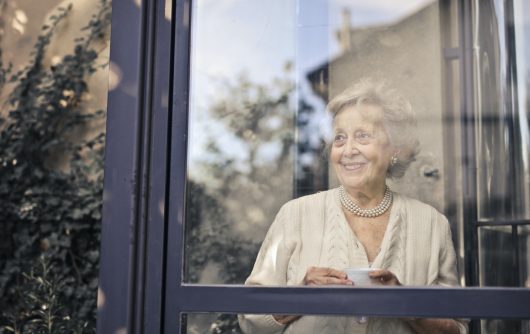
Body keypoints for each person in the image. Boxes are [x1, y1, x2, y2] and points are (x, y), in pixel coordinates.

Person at [238, 80, 467, 333]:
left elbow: (456, 328)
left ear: (395, 148)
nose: (348, 150)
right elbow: (251, 320)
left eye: (362, 136)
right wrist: (301, 295)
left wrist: (405, 303)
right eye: (339, 138)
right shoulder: (295, 215)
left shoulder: (432, 224)